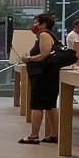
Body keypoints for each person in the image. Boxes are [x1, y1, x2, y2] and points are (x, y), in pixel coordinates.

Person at [18, 13, 61, 144]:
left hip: (43, 75)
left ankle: (33, 135)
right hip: (49, 74)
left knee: (37, 105)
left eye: (36, 22)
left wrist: (29, 59)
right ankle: (55, 134)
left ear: (43, 24)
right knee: (50, 106)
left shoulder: (44, 35)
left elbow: (44, 54)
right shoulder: (48, 35)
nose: (34, 25)